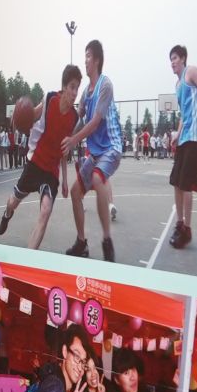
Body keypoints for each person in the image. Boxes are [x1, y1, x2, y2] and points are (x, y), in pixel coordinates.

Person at [0, 66, 80, 249]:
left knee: (45, 211)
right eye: (72, 87)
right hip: (34, 164)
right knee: (12, 203)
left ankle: (28, 258)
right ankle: (7, 214)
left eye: (77, 88)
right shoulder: (50, 99)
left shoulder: (74, 118)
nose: (75, 93)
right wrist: (18, 118)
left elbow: (64, 149)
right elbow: (30, 116)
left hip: (50, 172)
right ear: (64, 86)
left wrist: (65, 180)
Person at [64, 39, 122, 263]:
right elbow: (78, 120)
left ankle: (107, 240)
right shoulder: (85, 94)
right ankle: (82, 243)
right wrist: (63, 136)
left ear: (97, 60)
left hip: (112, 147)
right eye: (85, 56)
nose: (85, 60)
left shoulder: (105, 85)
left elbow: (95, 121)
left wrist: (73, 140)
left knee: (98, 178)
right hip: (96, 153)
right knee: (75, 192)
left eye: (88, 56)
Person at [167, 45, 197, 250]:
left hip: (196, 138)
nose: (172, 62)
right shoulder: (178, 84)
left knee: (186, 185)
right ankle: (179, 224)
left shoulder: (191, 72)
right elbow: (184, 115)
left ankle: (187, 229)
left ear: (183, 58)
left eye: (175, 58)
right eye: (170, 59)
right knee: (176, 182)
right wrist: (177, 135)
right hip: (185, 137)